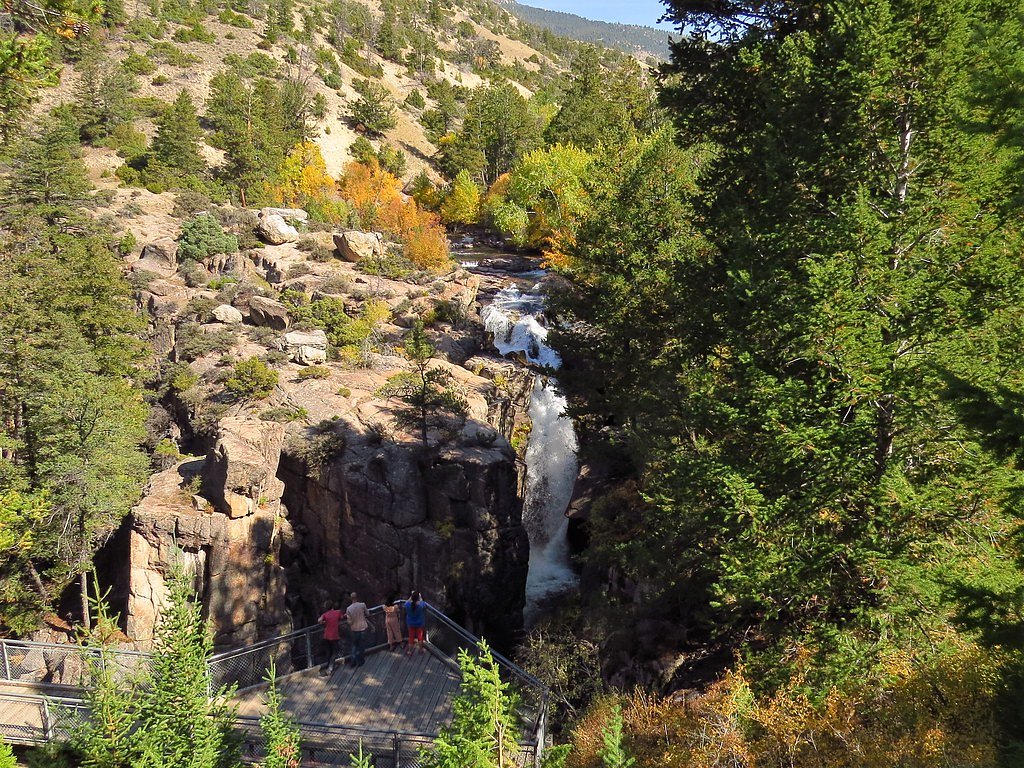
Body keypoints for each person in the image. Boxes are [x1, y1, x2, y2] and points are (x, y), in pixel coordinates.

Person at [318, 600, 343, 674]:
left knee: (329, 651)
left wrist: (323, 622)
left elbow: (319, 620)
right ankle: (330, 668)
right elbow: (342, 617)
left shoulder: (325, 614)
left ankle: (329, 666)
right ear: (332, 606)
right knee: (335, 652)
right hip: (334, 635)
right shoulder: (337, 612)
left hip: (326, 635)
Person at [346, 592, 370, 667]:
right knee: (361, 645)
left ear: (351, 598)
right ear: (357, 597)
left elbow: (349, 622)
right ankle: (360, 661)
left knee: (354, 645)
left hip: (354, 629)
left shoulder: (348, 609)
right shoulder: (362, 605)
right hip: (363, 627)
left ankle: (353, 661)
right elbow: (368, 614)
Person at [404, 590, 427, 655]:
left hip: (410, 623)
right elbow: (423, 603)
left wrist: (412, 596)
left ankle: (410, 651)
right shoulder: (421, 605)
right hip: (419, 623)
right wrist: (420, 597)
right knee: (420, 637)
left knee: (411, 637)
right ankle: (421, 649)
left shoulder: (407, 604)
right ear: (418, 598)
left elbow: (407, 602)